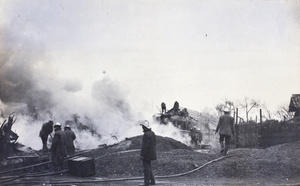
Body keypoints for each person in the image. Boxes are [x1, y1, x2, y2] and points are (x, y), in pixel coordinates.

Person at [140, 120, 156, 186]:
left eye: (143, 126)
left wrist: (142, 154)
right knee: (149, 167)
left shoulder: (146, 135)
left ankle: (146, 183)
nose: (142, 128)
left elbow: (145, 146)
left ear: (145, 127)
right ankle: (152, 181)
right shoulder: (152, 133)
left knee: (146, 168)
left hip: (147, 154)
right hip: (152, 153)